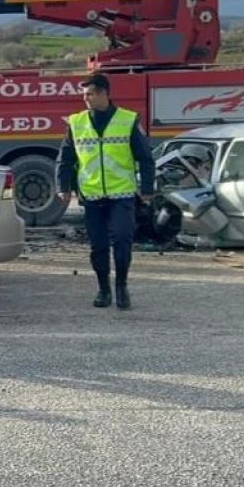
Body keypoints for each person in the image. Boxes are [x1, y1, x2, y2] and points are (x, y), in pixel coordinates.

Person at [55, 71, 155, 310]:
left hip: (122, 194)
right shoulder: (77, 123)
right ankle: (103, 289)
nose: (86, 99)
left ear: (103, 94)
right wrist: (63, 187)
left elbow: (146, 158)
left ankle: (121, 286)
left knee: (122, 239)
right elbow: (65, 159)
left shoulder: (127, 120)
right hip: (91, 195)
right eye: (84, 95)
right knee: (98, 246)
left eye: (90, 94)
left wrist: (147, 188)